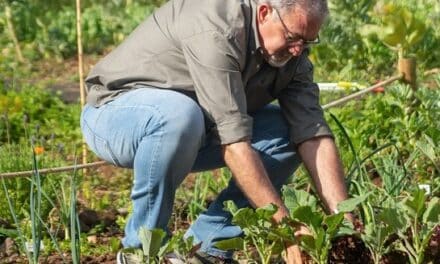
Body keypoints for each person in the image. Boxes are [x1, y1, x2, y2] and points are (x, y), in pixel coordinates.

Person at [80, 0, 353, 263]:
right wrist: (285, 229)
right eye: (293, 37)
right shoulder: (217, 27)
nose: (298, 50)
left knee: (287, 131)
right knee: (179, 115)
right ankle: (141, 251)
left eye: (307, 41)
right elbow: (234, 144)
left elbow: (313, 135)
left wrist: (345, 227)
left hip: (195, 128)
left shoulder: (293, 57)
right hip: (117, 115)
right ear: (264, 13)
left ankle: (206, 248)